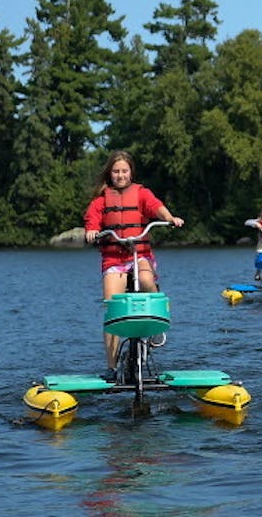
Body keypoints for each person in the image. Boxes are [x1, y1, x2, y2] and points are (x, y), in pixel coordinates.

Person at [82, 150, 184, 379]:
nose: (120, 175)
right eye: (116, 171)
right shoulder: (101, 200)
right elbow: (92, 220)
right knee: (112, 309)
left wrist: (169, 218)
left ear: (131, 172)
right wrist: (91, 231)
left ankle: (157, 326)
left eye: (124, 171)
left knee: (147, 279)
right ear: (110, 173)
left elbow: (156, 207)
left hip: (139, 254)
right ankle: (111, 367)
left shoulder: (141, 193)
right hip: (114, 259)